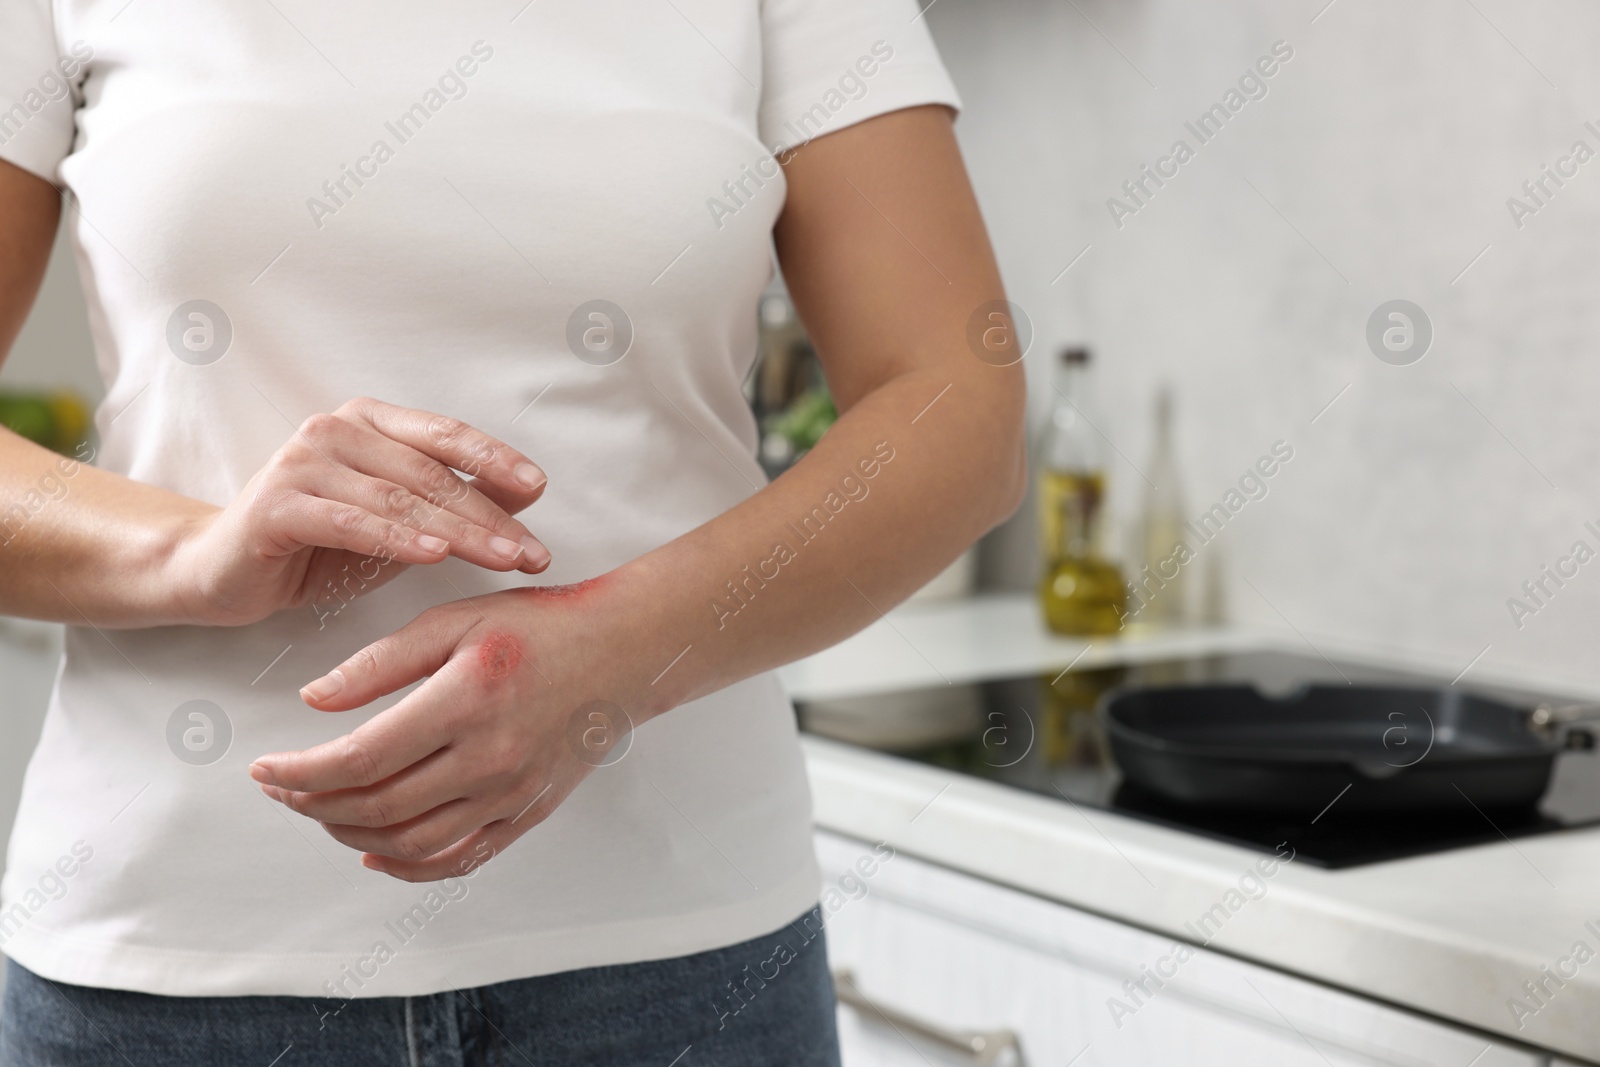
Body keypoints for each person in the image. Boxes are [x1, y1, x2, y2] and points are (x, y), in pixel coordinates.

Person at [0, 0, 1024, 1062]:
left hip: (678, 962)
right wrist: (188, 555)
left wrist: (625, 648)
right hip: (175, 971)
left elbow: (960, 409)